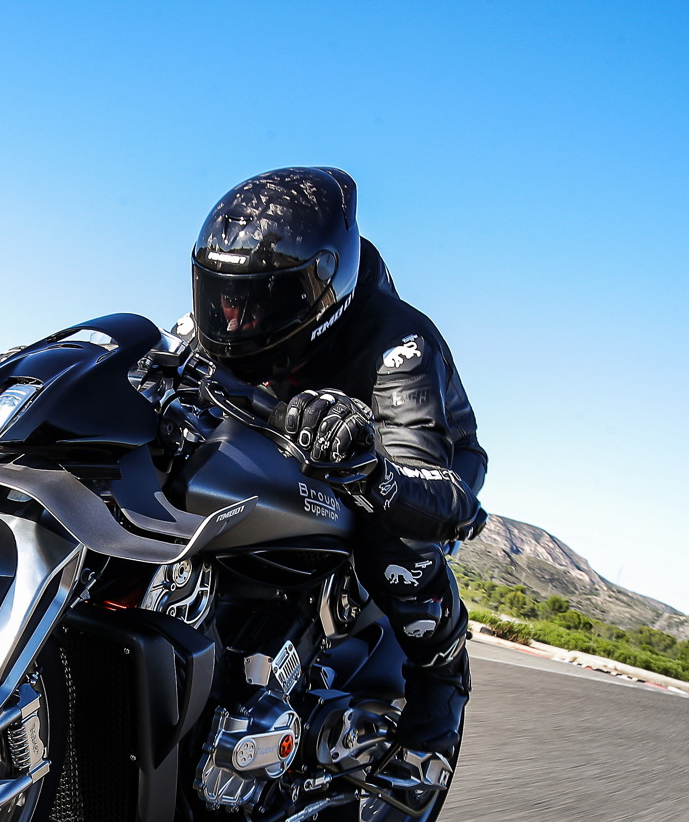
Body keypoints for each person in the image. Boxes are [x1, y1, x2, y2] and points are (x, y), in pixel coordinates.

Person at [186, 166, 487, 781]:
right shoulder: (232, 312)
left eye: (261, 303)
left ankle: (441, 680)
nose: (236, 319)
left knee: (389, 537)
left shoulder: (397, 343)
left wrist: (373, 469)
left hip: (419, 460)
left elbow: (441, 486)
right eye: (224, 297)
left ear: (323, 285)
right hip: (286, 426)